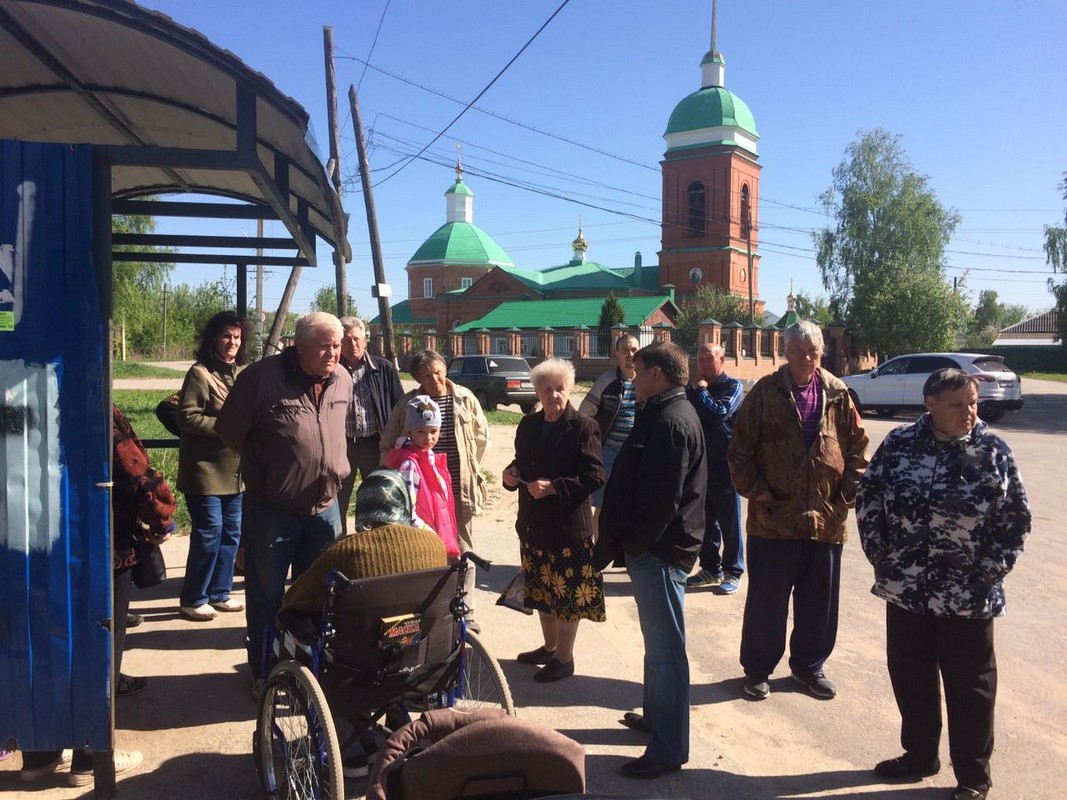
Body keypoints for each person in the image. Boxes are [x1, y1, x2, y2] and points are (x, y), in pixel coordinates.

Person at [857, 368, 1030, 800]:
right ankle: (919, 756)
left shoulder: (993, 451)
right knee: (911, 679)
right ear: (929, 404)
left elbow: (1016, 518)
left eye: (973, 402)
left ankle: (973, 778)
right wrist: (881, 554)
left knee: (971, 690)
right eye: (958, 404)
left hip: (968, 598)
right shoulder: (898, 446)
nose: (969, 411)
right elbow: (869, 498)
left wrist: (991, 569)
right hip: (906, 591)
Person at [19, 406, 174, 786]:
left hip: (28, 549)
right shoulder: (91, 399)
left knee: (42, 647)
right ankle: (89, 758)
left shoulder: (15, 387)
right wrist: (162, 516)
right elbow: (134, 471)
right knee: (101, 648)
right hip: (98, 548)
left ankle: (40, 753)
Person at [727, 320, 868, 702]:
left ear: (821, 353)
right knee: (767, 602)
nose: (807, 358)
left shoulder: (838, 394)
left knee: (818, 602)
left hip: (825, 521)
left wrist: (843, 501)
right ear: (784, 352)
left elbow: (859, 451)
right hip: (773, 522)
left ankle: (809, 666)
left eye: (814, 352)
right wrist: (757, 492)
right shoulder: (764, 393)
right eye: (798, 351)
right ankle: (757, 670)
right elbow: (738, 451)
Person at [216, 311, 352, 696]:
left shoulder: (342, 378)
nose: (332, 353)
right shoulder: (261, 378)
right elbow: (230, 431)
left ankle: (310, 670)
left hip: (326, 507)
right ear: (299, 345)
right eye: (323, 345)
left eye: (337, 345)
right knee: (266, 595)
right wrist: (270, 466)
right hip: (272, 510)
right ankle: (264, 671)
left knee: (318, 596)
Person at [595, 341, 706, 779]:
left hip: (660, 553)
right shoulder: (658, 411)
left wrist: (635, 545)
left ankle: (667, 750)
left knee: (666, 654)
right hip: (652, 551)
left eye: (638, 371)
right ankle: (656, 719)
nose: (632, 376)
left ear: (657, 373)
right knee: (657, 647)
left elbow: (661, 502)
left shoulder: (671, 422)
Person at [502, 358, 605, 683]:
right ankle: (549, 648)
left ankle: (565, 657)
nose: (554, 395)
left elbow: (594, 477)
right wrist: (512, 473)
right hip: (534, 526)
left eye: (560, 388)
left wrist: (555, 488)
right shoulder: (529, 425)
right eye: (547, 389)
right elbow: (522, 461)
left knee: (568, 598)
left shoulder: (583, 427)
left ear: (569, 389)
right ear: (537, 391)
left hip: (568, 530)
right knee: (543, 592)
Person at [380, 350, 489, 618]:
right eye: (428, 375)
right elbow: (387, 443)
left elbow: (481, 436)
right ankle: (434, 611)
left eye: (439, 372)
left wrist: (470, 470)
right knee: (425, 550)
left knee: (463, 551)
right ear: (418, 378)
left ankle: (466, 611)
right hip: (421, 492)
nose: (436, 378)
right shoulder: (407, 405)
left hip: (456, 488)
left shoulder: (464, 398)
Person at [281, 469, 448, 617]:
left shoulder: (346, 551)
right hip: (425, 643)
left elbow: (295, 598)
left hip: (361, 647)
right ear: (406, 503)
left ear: (363, 507)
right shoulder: (435, 545)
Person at [176, 310, 251, 621]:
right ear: (213, 340)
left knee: (232, 533)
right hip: (205, 471)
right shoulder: (199, 373)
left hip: (235, 473)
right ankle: (194, 597)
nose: (232, 342)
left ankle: (220, 593)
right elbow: (187, 416)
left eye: (236, 337)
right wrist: (226, 425)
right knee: (210, 532)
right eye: (226, 336)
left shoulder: (241, 373)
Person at [685, 342, 745, 594]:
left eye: (710, 359)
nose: (704, 364)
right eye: (700, 360)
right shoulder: (694, 389)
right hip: (700, 464)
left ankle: (734, 571)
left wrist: (700, 391)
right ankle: (710, 567)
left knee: (729, 521)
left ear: (722, 360)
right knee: (706, 521)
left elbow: (719, 412)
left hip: (726, 465)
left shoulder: (732, 387)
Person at [336, 316, 404, 536]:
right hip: (342, 446)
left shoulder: (382, 369)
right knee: (337, 501)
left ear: (365, 340)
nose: (352, 345)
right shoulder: (332, 370)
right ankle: (336, 550)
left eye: (356, 339)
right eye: (345, 340)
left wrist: (398, 444)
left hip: (374, 445)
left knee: (379, 500)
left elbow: (398, 405)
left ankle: (375, 547)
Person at [384, 395, 460, 558]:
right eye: (421, 432)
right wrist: (431, 537)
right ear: (410, 431)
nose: (428, 438)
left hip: (435, 540)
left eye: (433, 431)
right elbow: (407, 512)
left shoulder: (429, 458)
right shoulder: (409, 465)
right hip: (423, 544)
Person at [578, 333, 638, 539]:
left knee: (632, 505)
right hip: (609, 452)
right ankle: (595, 554)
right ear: (617, 355)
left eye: (634, 350)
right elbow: (584, 415)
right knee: (598, 504)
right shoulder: (607, 381)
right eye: (625, 350)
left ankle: (626, 555)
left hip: (637, 455)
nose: (630, 354)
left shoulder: (649, 381)